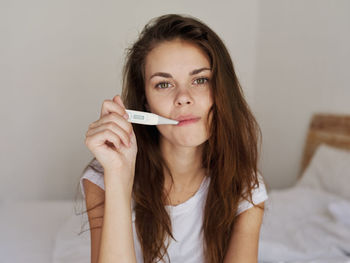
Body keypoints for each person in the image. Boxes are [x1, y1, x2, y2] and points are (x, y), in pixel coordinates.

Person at [81, 13, 268, 263]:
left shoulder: (246, 185)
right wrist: (118, 175)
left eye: (200, 80)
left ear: (222, 90)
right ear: (145, 101)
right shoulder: (102, 177)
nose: (183, 97)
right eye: (164, 84)